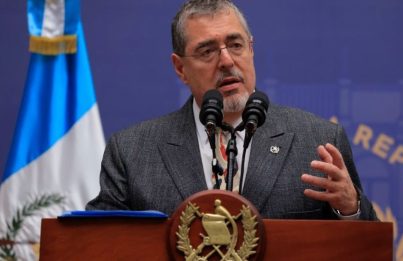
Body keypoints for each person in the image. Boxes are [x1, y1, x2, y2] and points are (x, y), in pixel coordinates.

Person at [86, 0, 377, 221]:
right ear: (180, 68)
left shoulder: (318, 141)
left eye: (235, 45)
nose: (226, 61)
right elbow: (97, 243)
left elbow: (368, 245)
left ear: (251, 50)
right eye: (207, 51)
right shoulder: (132, 151)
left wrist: (350, 209)